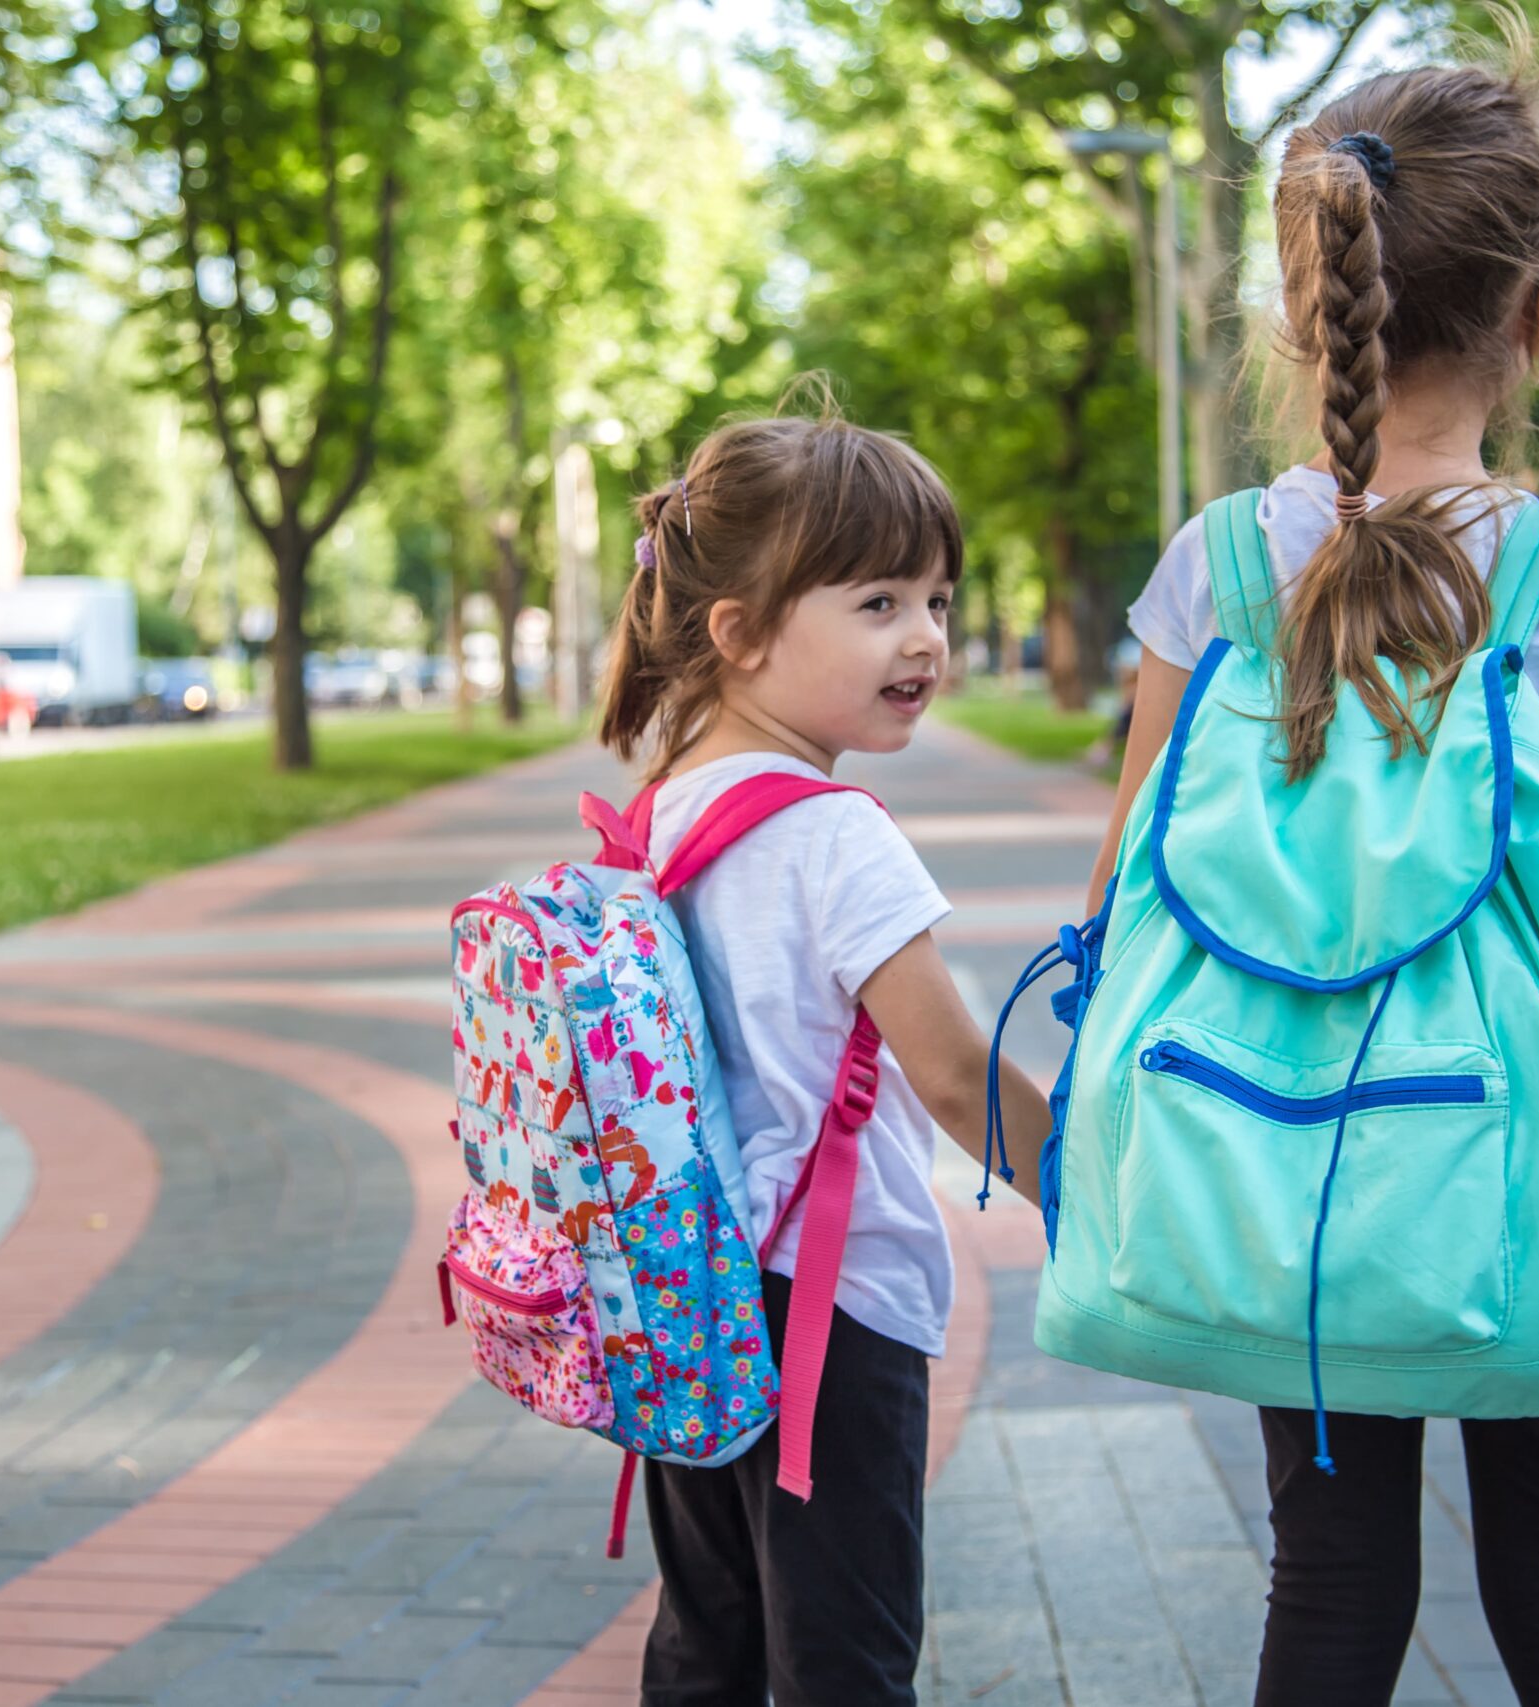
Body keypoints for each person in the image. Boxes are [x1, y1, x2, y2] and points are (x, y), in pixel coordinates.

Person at [1081, 16, 1539, 1705]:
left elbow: (1126, 871)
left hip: (1273, 1163)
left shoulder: (1219, 558)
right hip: (1527, 1158)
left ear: (1306, 310)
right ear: (1534, 316)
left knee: (1332, 1580)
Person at [598, 402, 1049, 1707]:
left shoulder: (668, 804)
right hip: (832, 1318)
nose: (924, 638)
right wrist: (1102, 1197)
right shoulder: (837, 836)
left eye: (937, 599)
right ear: (737, 633)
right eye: (875, 602)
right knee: (846, 1655)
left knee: (710, 1639)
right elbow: (954, 1073)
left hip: (693, 1288)